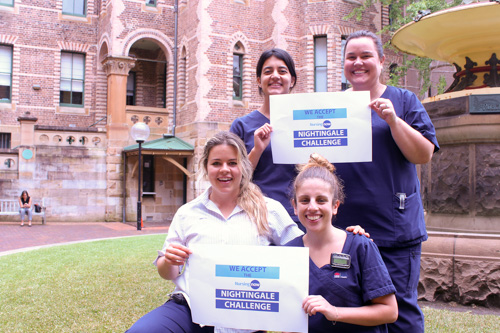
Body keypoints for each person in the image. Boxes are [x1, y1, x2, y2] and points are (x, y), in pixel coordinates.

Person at [126, 131, 303, 333]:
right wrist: (168, 260)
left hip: (246, 317)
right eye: (216, 163)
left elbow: (301, 253)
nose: (224, 170)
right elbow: (167, 273)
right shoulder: (187, 213)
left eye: (232, 163)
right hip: (191, 309)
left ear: (243, 166)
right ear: (206, 167)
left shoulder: (269, 209)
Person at [334, 30, 440, 333]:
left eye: (366, 56)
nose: (358, 62)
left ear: (381, 61)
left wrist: (393, 120)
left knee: (400, 311)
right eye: (350, 57)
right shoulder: (332, 106)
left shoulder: (403, 100)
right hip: (347, 232)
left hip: (395, 232)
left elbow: (424, 155)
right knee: (350, 304)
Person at [286, 153, 398, 332]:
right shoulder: (289, 253)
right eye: (304, 200)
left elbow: (389, 311)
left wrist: (334, 312)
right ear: (294, 205)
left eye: (321, 200)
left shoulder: (360, 246)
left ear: (335, 205)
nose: (312, 207)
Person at [230, 48, 301, 229]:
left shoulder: (307, 121)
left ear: (292, 80)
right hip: (257, 218)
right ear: (259, 81)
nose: (275, 76)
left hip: (300, 218)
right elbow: (234, 178)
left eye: (282, 71)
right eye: (268, 71)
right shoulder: (242, 126)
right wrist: (257, 150)